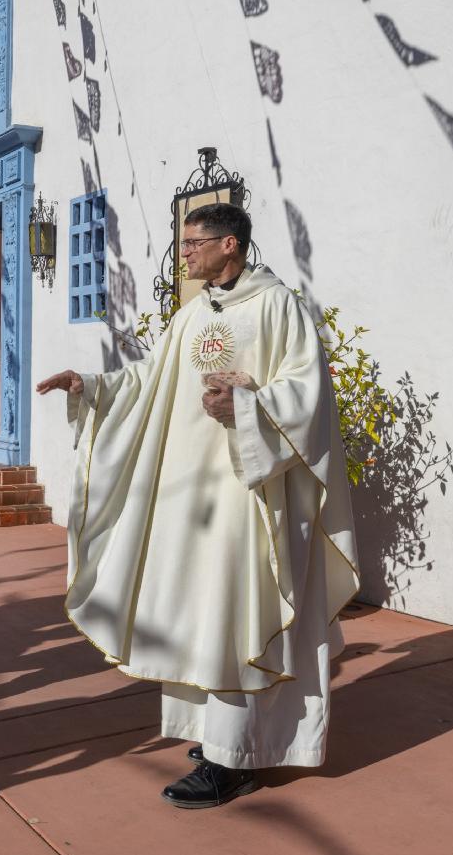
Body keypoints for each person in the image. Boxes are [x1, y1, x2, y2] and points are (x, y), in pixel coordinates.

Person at [36, 203, 359, 810]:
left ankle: (231, 759)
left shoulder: (276, 305)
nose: (184, 252)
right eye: (183, 243)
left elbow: (307, 392)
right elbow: (150, 379)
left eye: (193, 242)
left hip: (249, 493)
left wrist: (245, 409)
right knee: (200, 611)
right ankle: (216, 735)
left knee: (235, 611)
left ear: (230, 245)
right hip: (196, 495)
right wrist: (92, 386)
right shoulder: (191, 314)